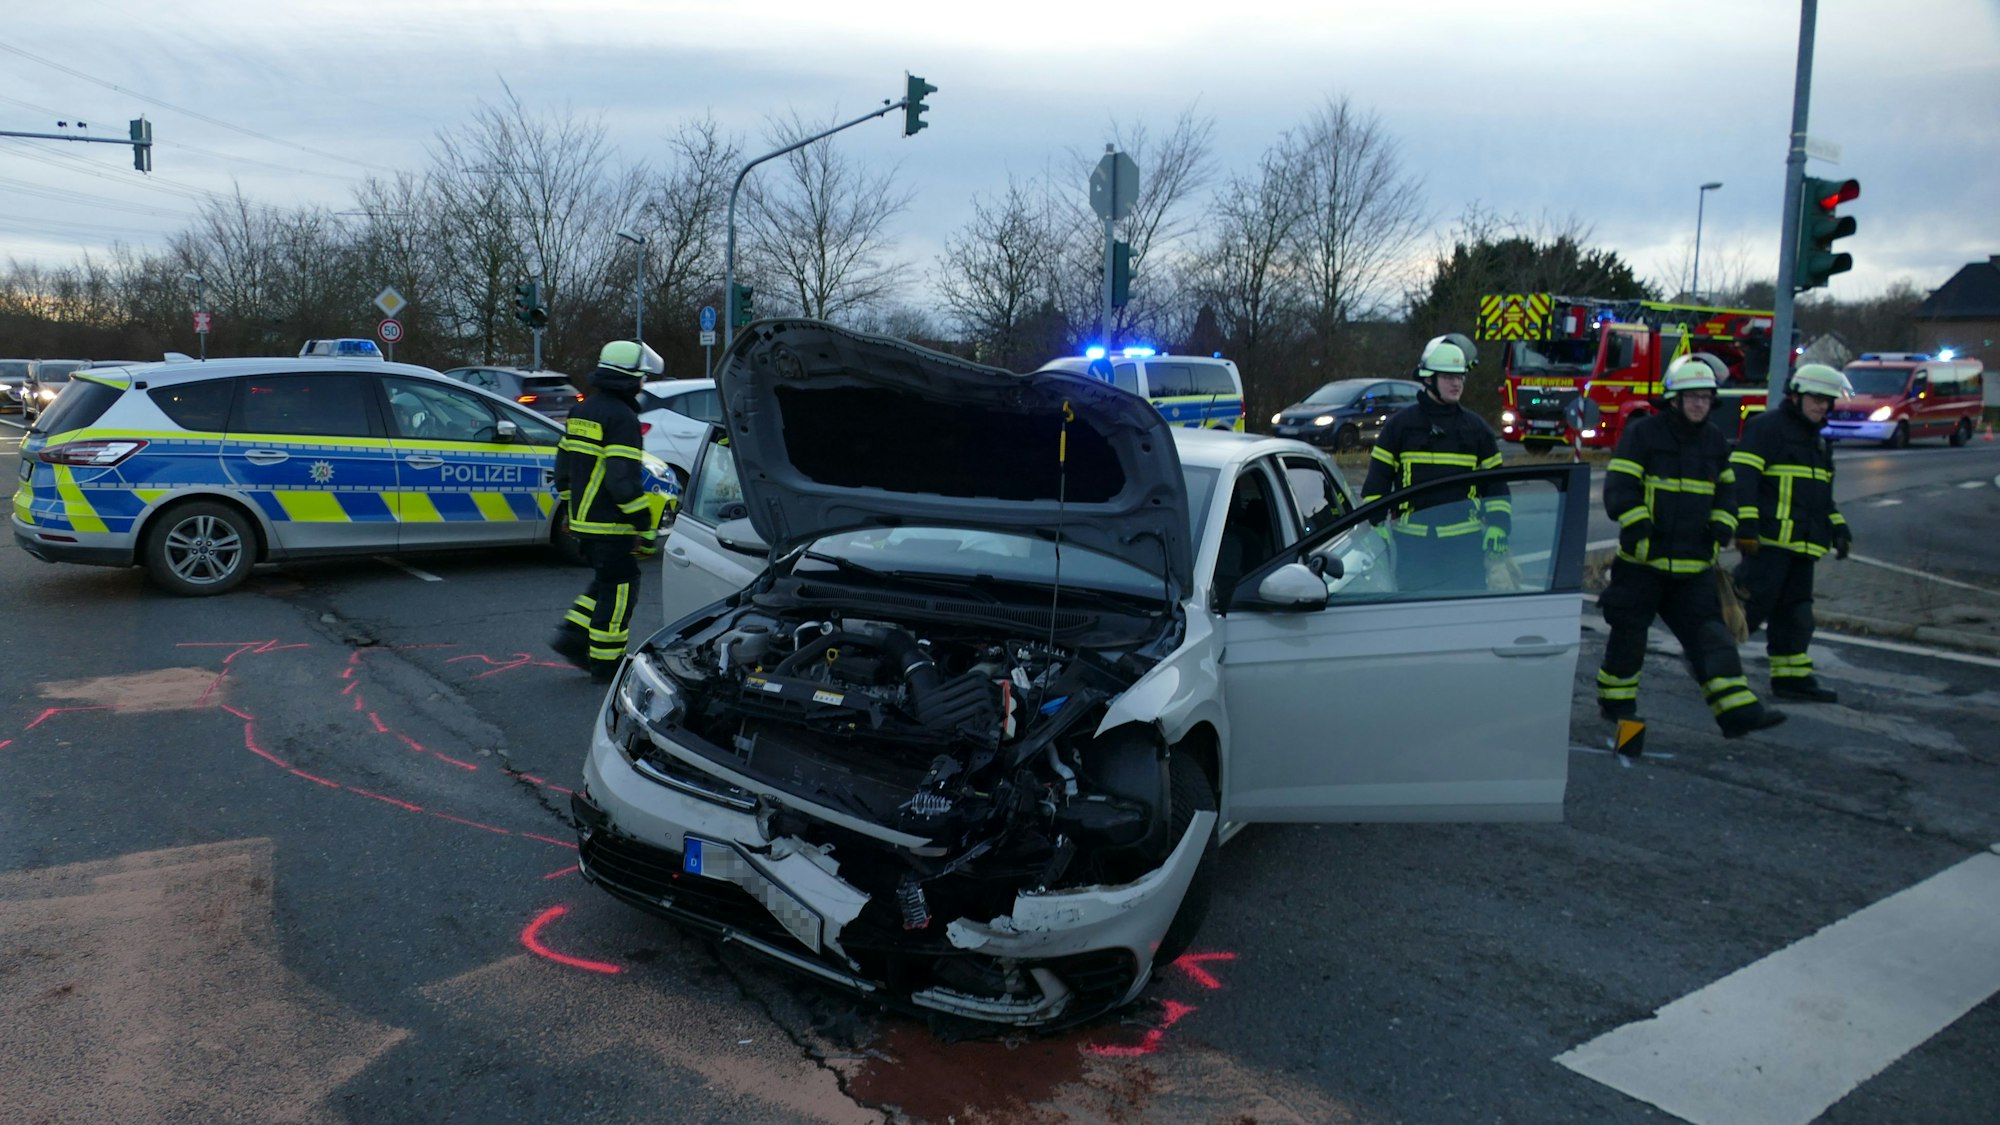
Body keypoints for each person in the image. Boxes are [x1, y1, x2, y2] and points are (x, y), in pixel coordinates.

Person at [1596, 354, 1785, 738]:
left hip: (1693, 567)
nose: (1700, 404)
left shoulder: (1714, 440)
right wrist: (1638, 524)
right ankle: (1618, 708)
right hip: (1642, 565)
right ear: (1675, 399)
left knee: (1713, 639)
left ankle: (1737, 712)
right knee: (1628, 640)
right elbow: (1620, 486)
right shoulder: (1643, 434)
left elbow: (1727, 493)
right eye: (1692, 397)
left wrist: (1722, 525)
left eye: (1705, 397)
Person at [1729, 363, 1853, 703]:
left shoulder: (1819, 442)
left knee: (1797, 616)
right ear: (1796, 396)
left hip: (1803, 547)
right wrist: (1746, 526)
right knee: (1748, 610)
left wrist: (1838, 527)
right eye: (1816, 399)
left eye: (1827, 401)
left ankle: (1791, 678)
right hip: (1767, 544)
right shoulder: (1767, 428)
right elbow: (1743, 479)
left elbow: (1822, 498)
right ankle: (1709, 661)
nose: (1822, 406)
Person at [550, 340, 668, 681]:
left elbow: (563, 470)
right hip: (611, 524)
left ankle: (573, 636)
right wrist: (644, 525)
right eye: (641, 376)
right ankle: (606, 663)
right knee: (620, 590)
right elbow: (622, 481)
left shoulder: (582, 411)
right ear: (630, 378)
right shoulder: (622, 418)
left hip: (584, 523)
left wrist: (572, 512)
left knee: (605, 582)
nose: (643, 382)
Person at [1360, 334, 1511, 593]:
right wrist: (1375, 524)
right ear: (1429, 379)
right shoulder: (1400, 427)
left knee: (1465, 613)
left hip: (1465, 547)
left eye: (1460, 377)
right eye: (1449, 377)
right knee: (1415, 612)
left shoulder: (1477, 430)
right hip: (1414, 548)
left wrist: (1499, 525)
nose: (1457, 383)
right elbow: (1378, 481)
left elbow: (1496, 486)